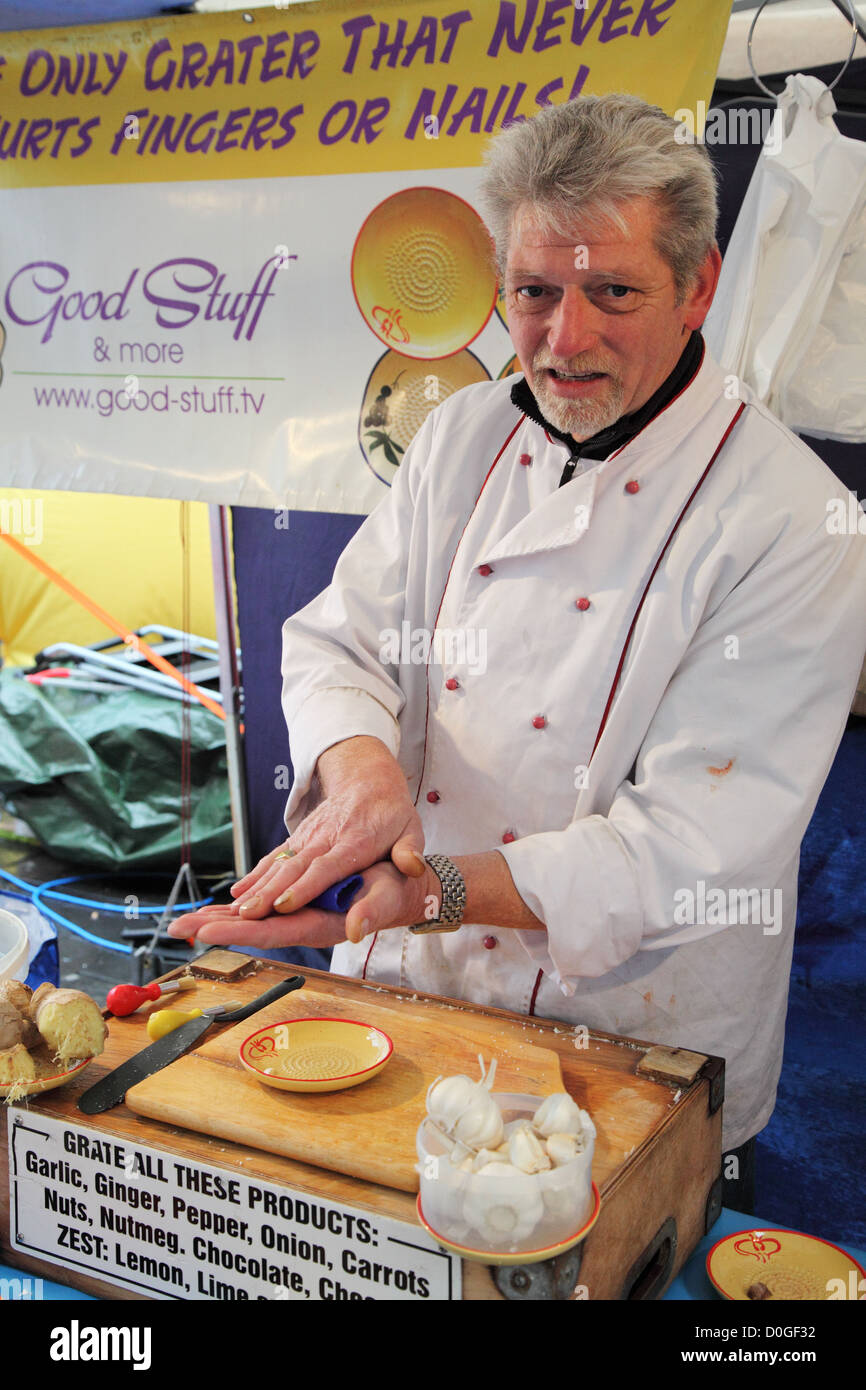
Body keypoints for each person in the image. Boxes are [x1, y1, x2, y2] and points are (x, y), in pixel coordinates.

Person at [171, 94, 866, 1210]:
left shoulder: (790, 519)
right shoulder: (462, 435)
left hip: (635, 1029)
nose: (564, 337)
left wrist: (431, 887)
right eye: (534, 292)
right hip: (411, 986)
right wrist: (359, 776)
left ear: (697, 288)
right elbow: (341, 637)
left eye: (613, 293)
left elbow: (692, 846)